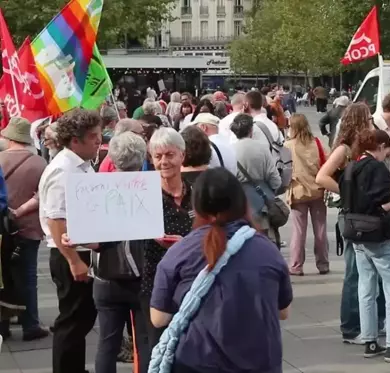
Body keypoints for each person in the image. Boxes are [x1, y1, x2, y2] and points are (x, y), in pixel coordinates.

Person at [148, 168, 292, 372]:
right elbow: (283, 311)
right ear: (241, 202)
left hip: (195, 362)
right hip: (259, 363)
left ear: (197, 206)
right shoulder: (268, 251)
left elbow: (158, 318)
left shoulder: (179, 253)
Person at [65, 131, 150, 373]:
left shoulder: (97, 188)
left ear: (112, 157)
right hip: (141, 276)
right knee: (144, 340)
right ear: (142, 155)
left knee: (107, 342)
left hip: (105, 277)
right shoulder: (150, 189)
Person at [341, 129, 390, 363]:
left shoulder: (351, 166)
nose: (388, 154)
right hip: (377, 234)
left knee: (366, 288)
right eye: (387, 149)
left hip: (355, 231)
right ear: (380, 146)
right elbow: (385, 202)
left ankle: (370, 341)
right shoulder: (378, 168)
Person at [316, 102, 386, 345]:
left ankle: (375, 321)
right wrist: (348, 194)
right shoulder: (344, 149)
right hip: (352, 215)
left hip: (367, 213)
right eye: (367, 118)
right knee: (355, 273)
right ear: (359, 121)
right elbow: (322, 176)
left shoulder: (363, 147)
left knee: (374, 271)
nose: (371, 121)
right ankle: (351, 327)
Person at [38, 109, 102, 373]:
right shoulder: (64, 170)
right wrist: (74, 261)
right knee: (72, 320)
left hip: (80, 250)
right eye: (94, 137)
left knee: (82, 317)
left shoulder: (79, 165)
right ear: (75, 140)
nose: (99, 141)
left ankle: (74, 367)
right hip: (70, 254)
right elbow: (56, 219)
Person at [138, 127, 194, 368]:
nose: (163, 162)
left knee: (192, 347)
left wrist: (186, 245)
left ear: (182, 155)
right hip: (154, 283)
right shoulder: (143, 194)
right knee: (158, 348)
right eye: (158, 156)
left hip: (194, 282)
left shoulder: (197, 192)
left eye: (169, 155)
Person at [0, 117, 49, 341]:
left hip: (3, 229)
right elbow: (43, 196)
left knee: (4, 277)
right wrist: (21, 210)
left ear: (9, 137)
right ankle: (30, 323)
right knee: (28, 277)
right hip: (28, 228)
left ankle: (4, 325)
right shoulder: (39, 163)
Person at [285, 114, 329, 276]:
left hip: (298, 192)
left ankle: (296, 266)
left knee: (298, 231)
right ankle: (323, 264)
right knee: (320, 229)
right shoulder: (317, 143)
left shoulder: (288, 146)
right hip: (318, 191)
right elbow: (328, 162)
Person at [231, 113, 282, 243]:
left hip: (238, 204)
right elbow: (275, 179)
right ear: (251, 130)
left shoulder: (230, 150)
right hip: (261, 203)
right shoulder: (262, 149)